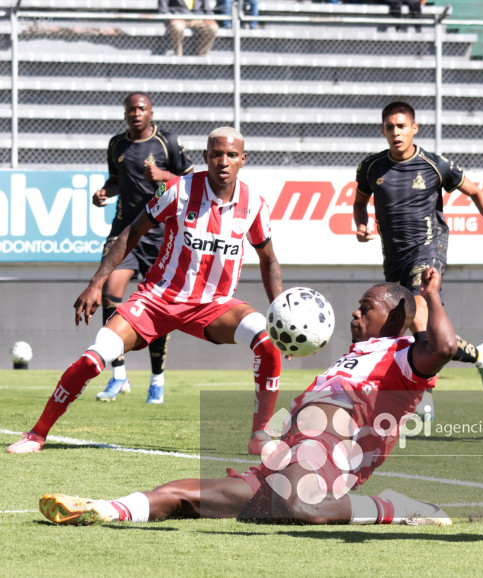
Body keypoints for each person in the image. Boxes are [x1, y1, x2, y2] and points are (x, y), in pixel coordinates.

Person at [38, 269, 457, 527]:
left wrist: (431, 297)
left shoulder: (404, 356)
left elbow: (443, 346)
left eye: (366, 307)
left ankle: (395, 507)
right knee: (182, 494)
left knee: (302, 505)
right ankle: (102, 509)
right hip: (287, 461)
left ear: (393, 317)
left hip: (329, 461)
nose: (355, 313)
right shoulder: (355, 356)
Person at [7, 127, 283, 456]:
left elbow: (269, 260)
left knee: (268, 341)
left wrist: (280, 314)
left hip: (214, 305)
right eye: (217, 154)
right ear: (206, 157)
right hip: (157, 299)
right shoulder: (178, 190)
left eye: (231, 155)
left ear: (243, 159)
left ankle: (259, 436)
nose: (223, 161)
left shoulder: (254, 205)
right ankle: (36, 434)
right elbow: (132, 231)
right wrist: (96, 282)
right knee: (95, 357)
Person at [353, 101, 483, 402]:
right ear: (383, 131)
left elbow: (475, 191)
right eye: (390, 127)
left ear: (414, 129)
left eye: (402, 126)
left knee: (420, 315)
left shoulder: (435, 164)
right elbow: (359, 202)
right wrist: (362, 225)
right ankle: (479, 355)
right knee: (409, 327)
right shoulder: (371, 166)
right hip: (394, 257)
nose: (396, 132)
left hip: (429, 248)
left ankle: (423, 398)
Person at [93, 92, 194, 405]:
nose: (135, 113)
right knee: (110, 293)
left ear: (151, 112)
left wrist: (164, 177)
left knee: (158, 307)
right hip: (125, 232)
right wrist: (104, 192)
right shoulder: (116, 144)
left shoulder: (167, 142)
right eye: (130, 109)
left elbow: (192, 183)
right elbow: (116, 180)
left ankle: (156, 381)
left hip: (161, 236)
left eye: (141, 108)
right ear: (125, 114)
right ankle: (119, 375)